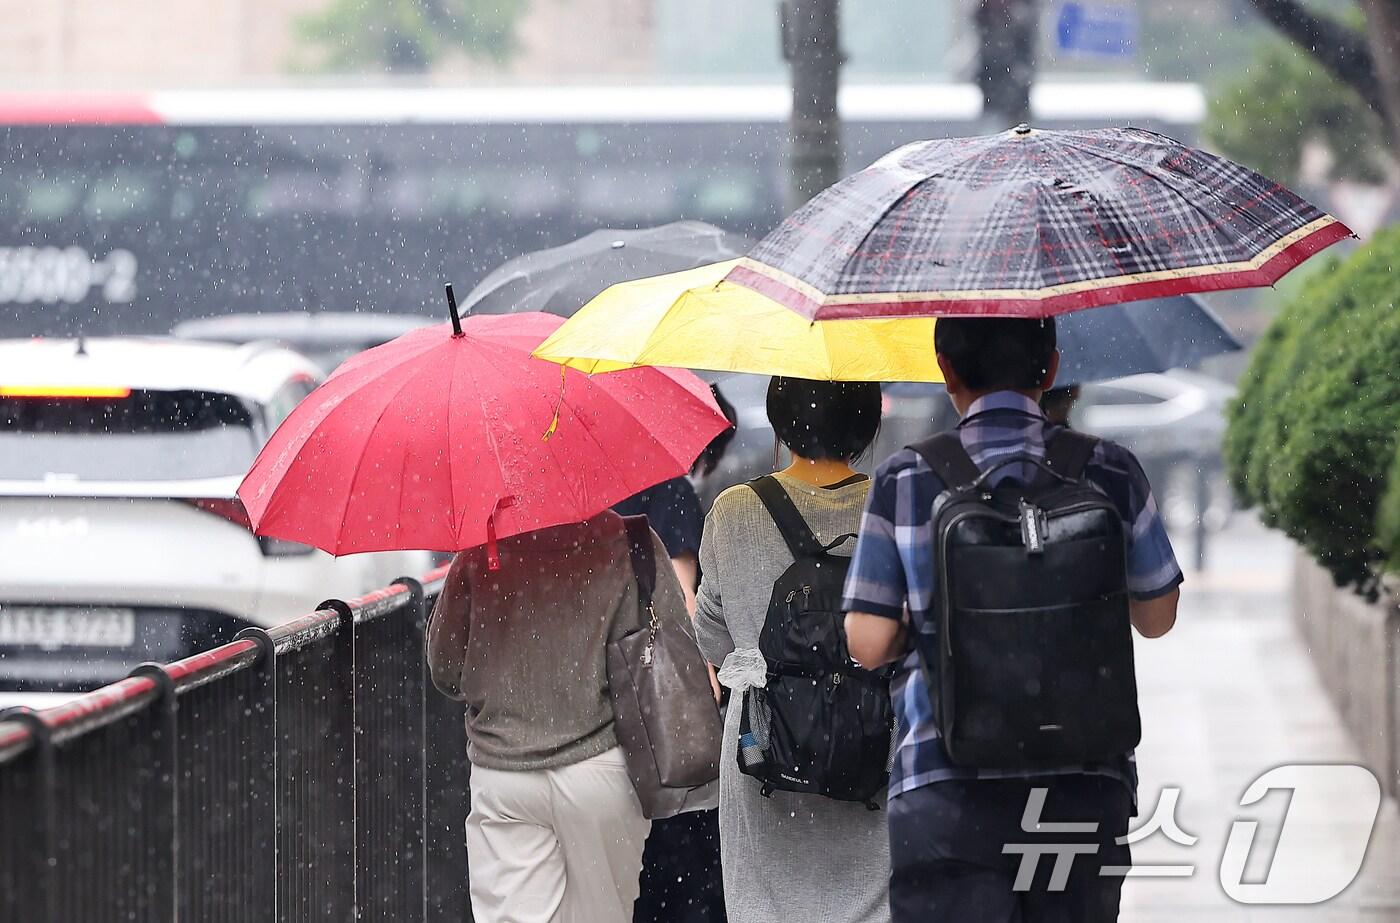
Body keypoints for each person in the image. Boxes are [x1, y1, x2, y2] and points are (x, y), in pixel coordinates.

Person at [842, 317, 1182, 923]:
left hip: (946, 787)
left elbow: (867, 644)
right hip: (1082, 782)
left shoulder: (909, 476)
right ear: (1051, 367)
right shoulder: (1110, 469)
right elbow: (1157, 617)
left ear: (945, 369)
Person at [427, 510, 690, 923]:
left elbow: (445, 670)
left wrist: (505, 683)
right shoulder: (631, 540)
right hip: (603, 768)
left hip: (505, 773)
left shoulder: (480, 554)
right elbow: (677, 643)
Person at [694, 376, 891, 923]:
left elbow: (711, 636)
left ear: (780, 426)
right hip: (873, 744)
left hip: (765, 755)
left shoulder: (734, 511)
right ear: (869, 425)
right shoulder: (895, 507)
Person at [620, 384, 736, 923]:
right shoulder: (673, 491)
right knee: (687, 858)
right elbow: (681, 606)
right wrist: (709, 687)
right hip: (659, 701)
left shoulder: (614, 488)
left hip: (609, 694)